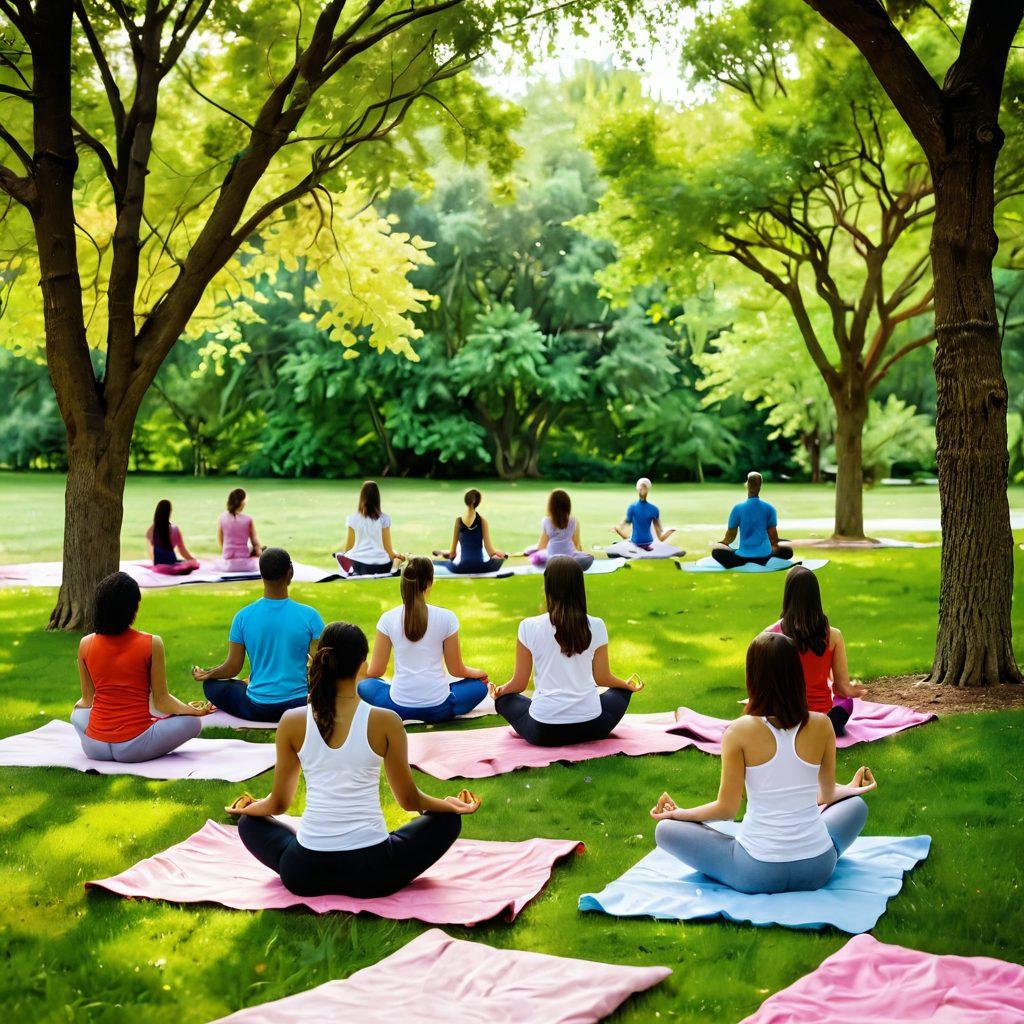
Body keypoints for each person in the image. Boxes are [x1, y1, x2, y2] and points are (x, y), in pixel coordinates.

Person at [227, 621, 481, 898]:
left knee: (250, 825)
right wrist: (447, 806)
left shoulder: (291, 721)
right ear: (362, 663)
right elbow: (410, 801)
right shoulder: (386, 721)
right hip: (373, 872)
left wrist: (247, 811)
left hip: (304, 872)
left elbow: (278, 804)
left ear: (320, 660)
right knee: (448, 822)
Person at [650, 631, 877, 895]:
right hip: (817, 869)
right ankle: (823, 849)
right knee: (856, 806)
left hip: (756, 871)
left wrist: (678, 814)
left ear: (752, 676)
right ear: (796, 673)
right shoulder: (823, 724)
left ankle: (730, 857)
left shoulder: (738, 732)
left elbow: (727, 809)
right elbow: (826, 794)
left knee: (665, 830)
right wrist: (850, 790)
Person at [490, 556, 644, 745]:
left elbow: (519, 684)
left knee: (505, 701)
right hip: (593, 726)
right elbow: (603, 678)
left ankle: (506, 701)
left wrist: (499, 692)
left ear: (548, 586)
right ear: (579, 586)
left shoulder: (528, 626)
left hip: (544, 731)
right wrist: (626, 685)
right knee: (620, 693)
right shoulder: (596, 625)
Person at [71, 572, 208, 761]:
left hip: (95, 747)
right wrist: (192, 710)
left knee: (77, 715)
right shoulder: (152, 643)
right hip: (133, 746)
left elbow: (87, 700)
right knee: (193, 723)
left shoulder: (85, 644)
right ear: (132, 610)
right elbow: (162, 700)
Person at [193, 547, 324, 722]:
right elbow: (321, 664)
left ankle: (249, 685)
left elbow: (233, 667)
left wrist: (208, 674)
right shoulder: (310, 616)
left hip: (258, 707)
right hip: (299, 705)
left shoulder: (243, 617)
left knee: (212, 686)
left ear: (260, 574)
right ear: (290, 573)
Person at [357, 557, 489, 723]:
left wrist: (360, 671)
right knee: (479, 687)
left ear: (403, 583)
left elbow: (375, 672)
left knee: (364, 686)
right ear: (429, 583)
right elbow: (456, 670)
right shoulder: (447, 618)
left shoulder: (387, 619)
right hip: (440, 708)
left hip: (396, 707)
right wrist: (478, 673)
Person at [764, 565, 867, 736]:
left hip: (784, 718)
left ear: (788, 595)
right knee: (845, 702)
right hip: (822, 718)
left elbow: (764, 687)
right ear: (816, 596)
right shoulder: (833, 635)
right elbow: (842, 688)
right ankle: (819, 730)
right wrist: (854, 691)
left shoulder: (769, 636)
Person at [711, 472, 793, 568]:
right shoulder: (769, 508)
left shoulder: (738, 508)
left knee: (716, 551)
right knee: (787, 547)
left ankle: (740, 562)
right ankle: (767, 560)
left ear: (747, 485)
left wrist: (720, 545)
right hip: (765, 557)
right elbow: (773, 539)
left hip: (742, 557)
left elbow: (729, 538)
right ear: (760, 486)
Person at [334, 481, 404, 576]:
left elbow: (349, 547)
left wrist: (344, 555)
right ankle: (393, 571)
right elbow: (388, 550)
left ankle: (348, 568)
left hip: (360, 565)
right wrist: (398, 557)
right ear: (377, 498)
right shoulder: (385, 519)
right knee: (396, 555)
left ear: (362, 497)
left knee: (345, 554)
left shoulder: (352, 519)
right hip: (382, 566)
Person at [432, 489, 508, 574]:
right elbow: (491, 552)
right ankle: (444, 552)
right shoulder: (483, 521)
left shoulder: (458, 521)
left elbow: (453, 553)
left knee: (445, 564)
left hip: (462, 568)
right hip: (481, 567)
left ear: (466, 501)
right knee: (501, 558)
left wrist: (449, 554)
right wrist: (503, 554)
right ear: (478, 502)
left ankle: (443, 553)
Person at [527, 489, 594, 571]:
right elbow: (576, 544)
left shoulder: (546, 521)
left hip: (553, 559)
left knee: (533, 555)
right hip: (570, 557)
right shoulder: (573, 520)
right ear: (568, 505)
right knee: (586, 557)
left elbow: (541, 546)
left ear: (551, 506)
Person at [613, 477, 676, 550]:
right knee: (625, 536)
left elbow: (659, 535)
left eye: (644, 487)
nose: (642, 489)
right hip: (641, 541)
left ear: (647, 490)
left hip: (642, 541)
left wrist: (669, 532)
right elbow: (660, 536)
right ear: (638, 489)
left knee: (625, 536)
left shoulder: (652, 509)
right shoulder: (634, 508)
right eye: (641, 487)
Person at [146, 499, 200, 575]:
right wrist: (192, 560)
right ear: (170, 511)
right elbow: (182, 550)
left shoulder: (151, 530)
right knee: (191, 564)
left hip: (158, 566)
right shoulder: (174, 529)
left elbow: (150, 551)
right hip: (172, 565)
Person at [215, 487, 262, 572]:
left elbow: (220, 540)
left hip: (227, 565)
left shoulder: (222, 517)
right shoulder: (248, 519)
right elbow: (255, 543)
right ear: (242, 503)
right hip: (246, 565)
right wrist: (260, 554)